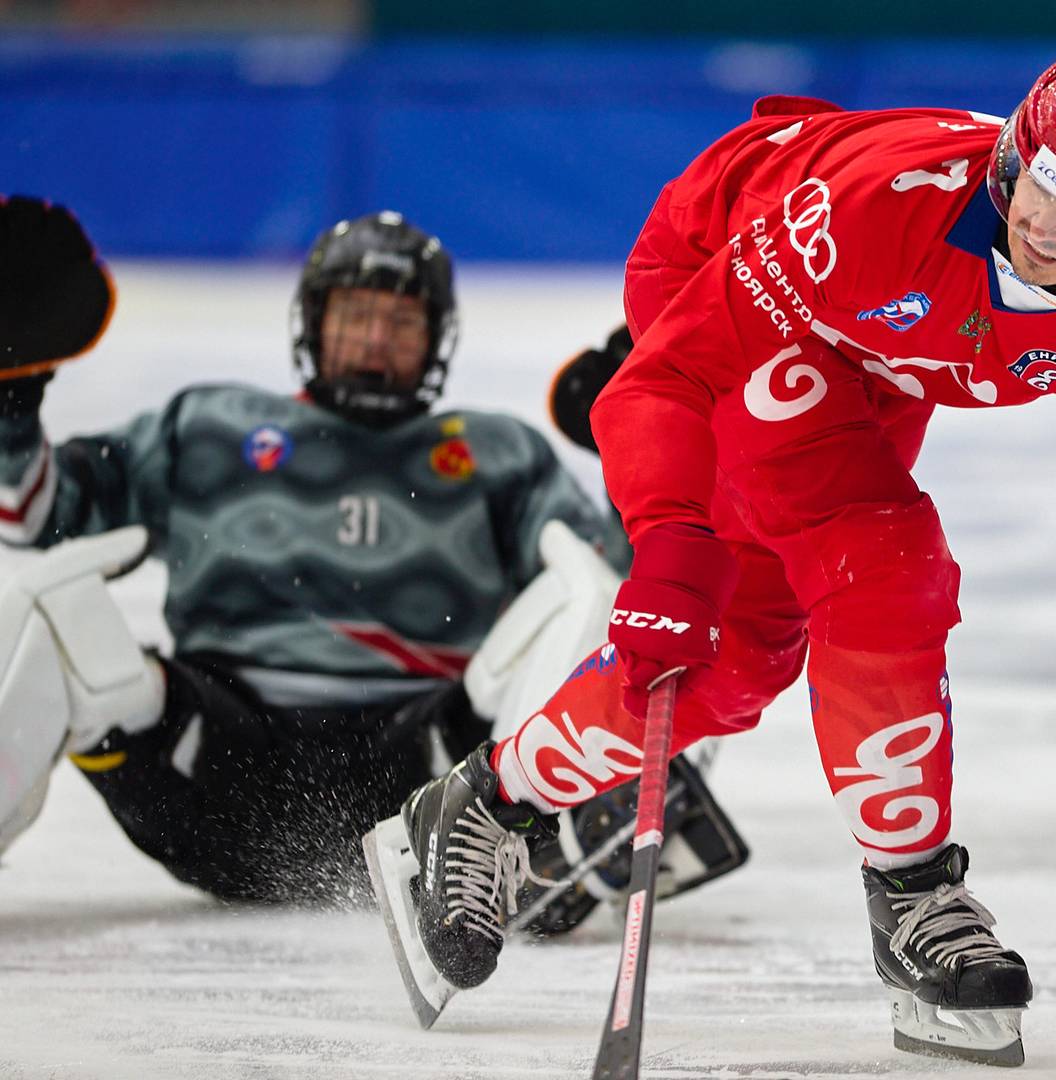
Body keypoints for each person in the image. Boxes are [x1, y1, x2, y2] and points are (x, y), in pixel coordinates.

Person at [369, 38, 1056, 1066]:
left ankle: (481, 803)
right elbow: (654, 387)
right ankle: (916, 899)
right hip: (734, 262)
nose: (1042, 221)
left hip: (886, 352)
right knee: (882, 564)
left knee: (737, 663)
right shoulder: (875, 207)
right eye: (1037, 177)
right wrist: (668, 539)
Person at [0, 202, 746, 918]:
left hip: (432, 778)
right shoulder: (207, 427)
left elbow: (636, 591)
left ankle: (552, 843)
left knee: (580, 585)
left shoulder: (496, 453)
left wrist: (644, 445)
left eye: (402, 320)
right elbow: (35, 515)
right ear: (313, 322)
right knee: (44, 601)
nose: (377, 337)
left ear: (438, 338)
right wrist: (12, 402)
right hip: (212, 763)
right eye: (357, 314)